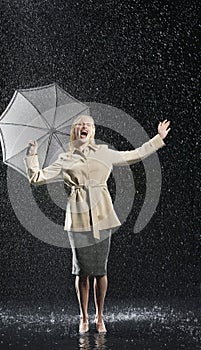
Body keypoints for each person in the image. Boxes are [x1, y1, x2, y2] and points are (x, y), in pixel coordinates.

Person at [24, 115, 171, 334]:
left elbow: (135, 155)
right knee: (82, 271)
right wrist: (32, 154)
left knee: (100, 271)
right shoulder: (65, 158)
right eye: (80, 125)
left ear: (92, 131)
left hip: (102, 216)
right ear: (75, 131)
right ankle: (84, 317)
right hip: (78, 218)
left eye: (88, 125)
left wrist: (157, 139)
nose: (84, 127)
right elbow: (36, 177)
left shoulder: (104, 152)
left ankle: (100, 316)